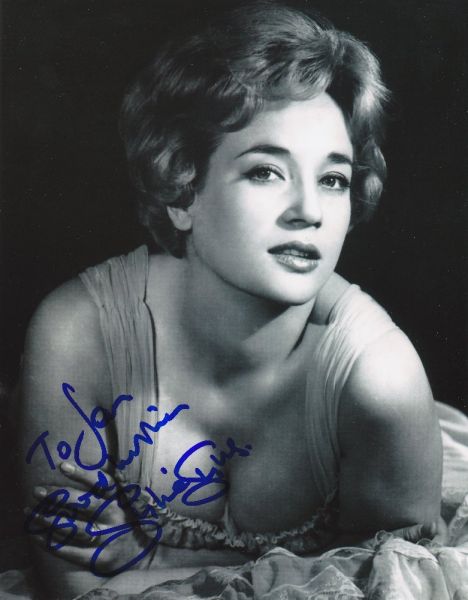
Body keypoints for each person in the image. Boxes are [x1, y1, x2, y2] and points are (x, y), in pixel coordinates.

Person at [16, 2, 468, 599]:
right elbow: (74, 589)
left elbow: (390, 586)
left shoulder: (379, 379)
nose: (308, 210)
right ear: (182, 191)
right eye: (265, 172)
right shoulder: (79, 332)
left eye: (333, 179)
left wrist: (147, 563)